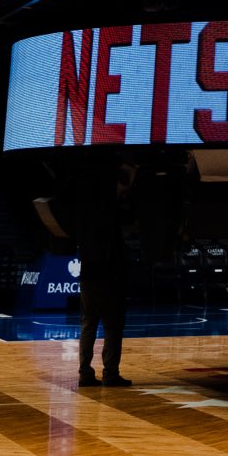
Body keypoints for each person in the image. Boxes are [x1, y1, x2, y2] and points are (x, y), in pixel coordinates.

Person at [74, 159, 135, 388]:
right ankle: (110, 373)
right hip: (109, 277)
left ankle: (85, 373)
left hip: (89, 276)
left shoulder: (85, 212)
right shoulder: (111, 213)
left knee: (88, 324)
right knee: (112, 327)